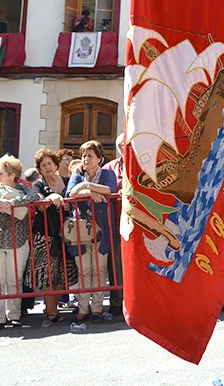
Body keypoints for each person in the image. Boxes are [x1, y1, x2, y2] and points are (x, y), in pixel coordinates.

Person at [0, 155, 39, 330]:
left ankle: (13, 315)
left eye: (1, 172)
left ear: (13, 174)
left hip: (18, 238)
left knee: (14, 279)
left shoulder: (24, 189)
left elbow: (34, 196)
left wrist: (10, 203)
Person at [66, 141, 118, 320]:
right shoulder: (77, 175)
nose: (86, 159)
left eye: (90, 155)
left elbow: (110, 189)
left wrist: (86, 187)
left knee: (99, 268)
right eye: (84, 155)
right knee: (84, 269)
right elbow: (70, 194)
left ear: (99, 158)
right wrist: (91, 193)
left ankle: (97, 307)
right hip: (81, 228)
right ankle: (82, 307)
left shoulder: (107, 174)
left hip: (102, 227)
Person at [31, 148, 78, 325]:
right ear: (40, 169)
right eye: (43, 165)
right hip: (45, 234)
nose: (47, 167)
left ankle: (54, 309)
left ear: (56, 165)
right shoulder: (38, 184)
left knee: (61, 275)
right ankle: (51, 313)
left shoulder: (67, 180)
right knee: (48, 276)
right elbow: (38, 202)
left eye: (50, 163)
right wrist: (51, 197)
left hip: (65, 234)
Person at [101, 133, 125, 315]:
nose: (124, 147)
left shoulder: (143, 162)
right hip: (115, 220)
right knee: (115, 261)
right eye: (120, 145)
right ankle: (117, 301)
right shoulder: (109, 168)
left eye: (126, 144)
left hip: (140, 223)